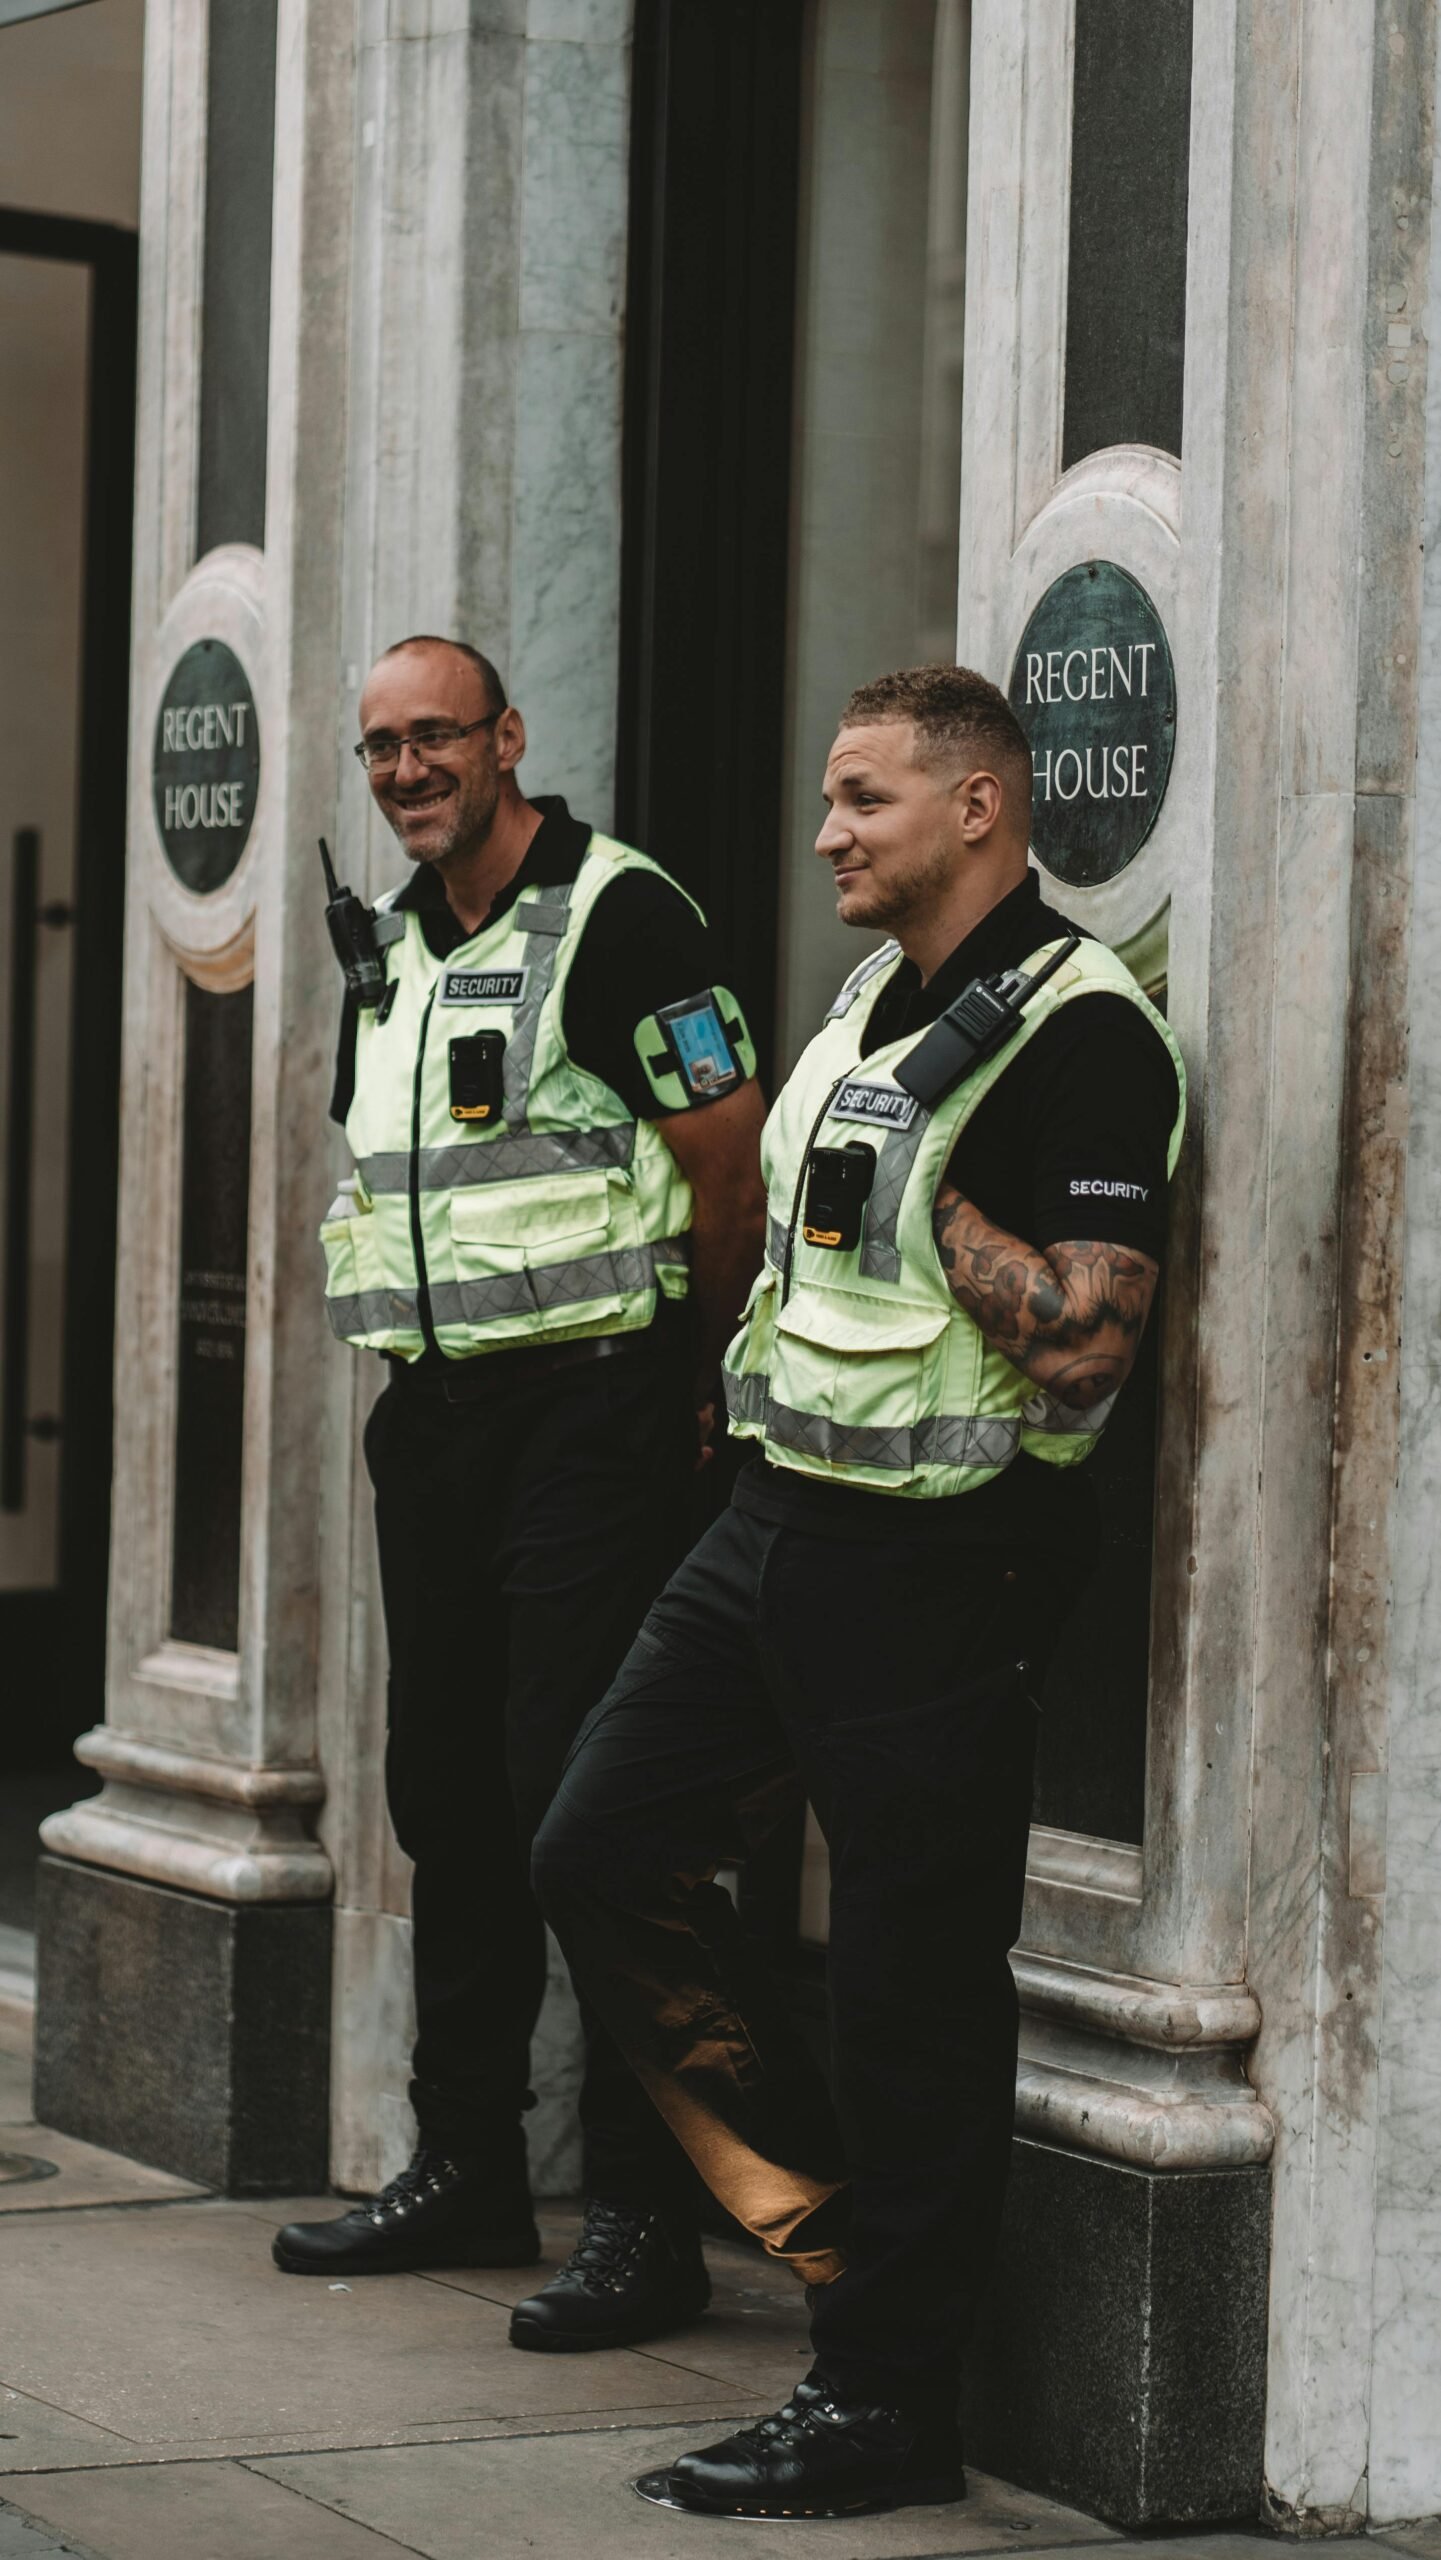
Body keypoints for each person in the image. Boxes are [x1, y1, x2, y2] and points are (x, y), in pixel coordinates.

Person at [532, 662, 1186, 2517]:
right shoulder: (863, 1007)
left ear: (977, 806)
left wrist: (939, 1203)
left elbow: (1085, 1349)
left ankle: (883, 2398)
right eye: (830, 798)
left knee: (909, 1984)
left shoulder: (1081, 1029)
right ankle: (830, 2221)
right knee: (594, 1843)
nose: (826, 831)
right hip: (766, 1532)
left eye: (863, 798)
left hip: (937, 1567)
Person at [273, 636, 768, 2356]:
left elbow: (729, 1160)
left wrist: (697, 1379)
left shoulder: (623, 916)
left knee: (589, 1809)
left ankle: (650, 2215)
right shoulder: (397, 947)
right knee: (451, 1798)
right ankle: (467, 2162)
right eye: (380, 749)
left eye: (435, 739)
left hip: (596, 1418)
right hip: (441, 1426)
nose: (406, 771)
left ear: (507, 740)